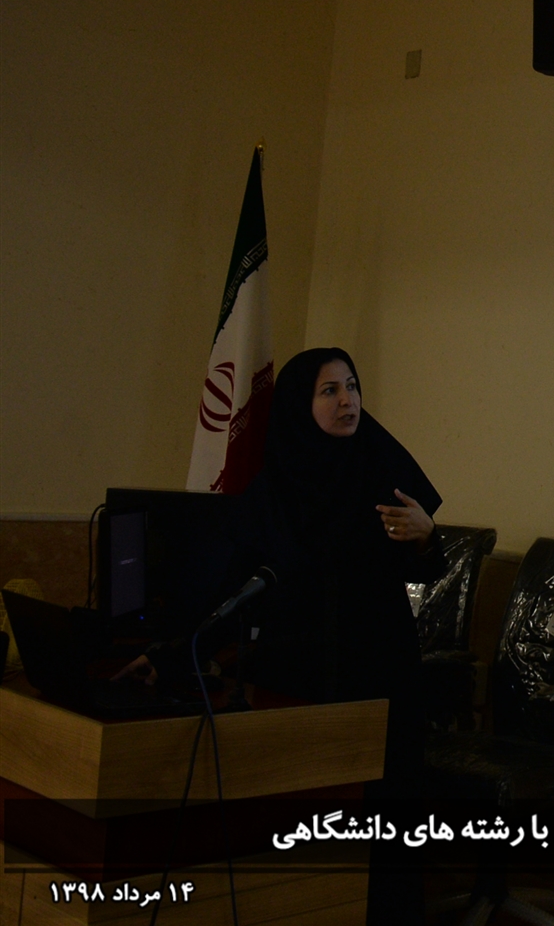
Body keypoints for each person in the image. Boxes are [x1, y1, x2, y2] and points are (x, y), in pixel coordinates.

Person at [122, 347, 443, 924]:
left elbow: (420, 568)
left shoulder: (379, 470)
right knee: (302, 834)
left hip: (379, 674)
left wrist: (426, 538)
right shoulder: (273, 493)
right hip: (298, 680)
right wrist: (168, 656)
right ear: (300, 404)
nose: (347, 401)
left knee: (385, 819)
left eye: (352, 386)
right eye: (329, 390)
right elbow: (232, 591)